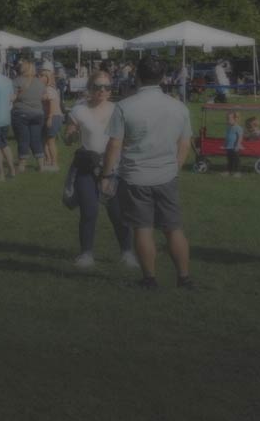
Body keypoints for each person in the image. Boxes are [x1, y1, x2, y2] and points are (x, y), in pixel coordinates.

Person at [100, 57, 194, 289]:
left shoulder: (125, 106)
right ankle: (184, 277)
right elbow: (185, 143)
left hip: (135, 177)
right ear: (163, 77)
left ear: (137, 76)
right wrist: (176, 168)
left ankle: (149, 279)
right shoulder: (178, 106)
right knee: (173, 228)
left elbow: (114, 144)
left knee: (143, 228)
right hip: (166, 175)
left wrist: (106, 174)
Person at [62, 72, 133, 269]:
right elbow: (67, 139)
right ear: (89, 88)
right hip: (87, 166)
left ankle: (127, 253)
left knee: (118, 213)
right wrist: (71, 135)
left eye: (107, 87)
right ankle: (86, 254)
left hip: (114, 167)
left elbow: (126, 139)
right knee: (89, 211)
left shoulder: (119, 110)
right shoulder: (79, 110)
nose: (102, 90)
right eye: (97, 86)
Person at [10, 59, 47, 174]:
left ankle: (22, 165)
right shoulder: (40, 82)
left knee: (23, 140)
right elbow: (44, 97)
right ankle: (41, 165)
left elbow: (12, 98)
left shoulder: (17, 81)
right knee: (36, 140)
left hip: (21, 113)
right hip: (38, 113)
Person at [39, 69, 64, 172]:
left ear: (47, 78)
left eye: (42, 76)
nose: (39, 77)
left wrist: (50, 118)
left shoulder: (49, 89)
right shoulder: (45, 89)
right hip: (47, 117)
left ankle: (54, 163)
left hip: (53, 117)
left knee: (50, 141)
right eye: (39, 75)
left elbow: (52, 105)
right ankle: (48, 160)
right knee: (44, 141)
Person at [223, 110, 245, 177]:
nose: (228, 120)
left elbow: (240, 137)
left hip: (235, 147)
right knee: (229, 159)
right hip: (229, 147)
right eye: (227, 119)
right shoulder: (229, 128)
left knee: (236, 159)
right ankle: (229, 171)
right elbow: (227, 136)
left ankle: (237, 172)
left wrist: (237, 145)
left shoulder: (238, 128)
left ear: (235, 119)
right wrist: (225, 144)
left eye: (229, 119)